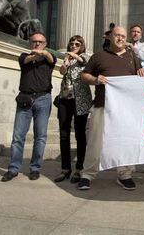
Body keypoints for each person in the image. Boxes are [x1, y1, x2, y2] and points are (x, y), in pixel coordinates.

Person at [78, 26, 144, 191]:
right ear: (110, 37)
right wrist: (96, 80)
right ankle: (87, 175)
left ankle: (125, 174)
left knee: (125, 142)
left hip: (124, 110)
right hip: (102, 105)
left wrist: (142, 74)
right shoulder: (99, 56)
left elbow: (140, 81)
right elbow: (84, 75)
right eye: (117, 35)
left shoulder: (133, 58)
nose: (120, 38)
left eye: (123, 36)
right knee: (95, 141)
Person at [1, 32, 57, 182]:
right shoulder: (23, 56)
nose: (37, 44)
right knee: (18, 136)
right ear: (29, 43)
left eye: (40, 42)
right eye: (34, 41)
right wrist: (34, 55)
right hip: (25, 99)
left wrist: (43, 53)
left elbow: (52, 59)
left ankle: (35, 168)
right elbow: (25, 60)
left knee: (40, 136)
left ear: (45, 44)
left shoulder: (48, 58)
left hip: (43, 99)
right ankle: (13, 168)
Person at [54, 35, 93, 183]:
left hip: (80, 101)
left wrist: (74, 56)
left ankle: (79, 168)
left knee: (79, 134)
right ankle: (65, 169)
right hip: (65, 99)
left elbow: (84, 61)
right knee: (64, 134)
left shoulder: (83, 56)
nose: (73, 45)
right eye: (71, 43)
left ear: (81, 46)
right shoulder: (68, 59)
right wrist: (66, 62)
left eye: (77, 44)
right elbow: (62, 72)